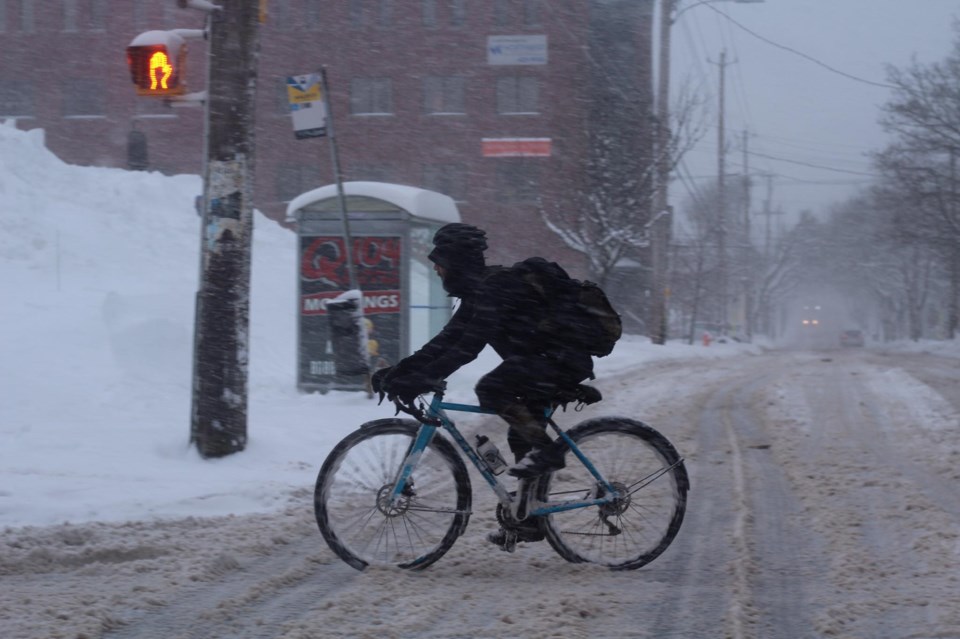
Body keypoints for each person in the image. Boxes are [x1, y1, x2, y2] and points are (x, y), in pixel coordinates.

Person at [371, 223, 595, 545]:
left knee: (491, 388)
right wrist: (400, 372)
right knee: (520, 435)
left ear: (456, 262)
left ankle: (548, 453)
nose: (436, 269)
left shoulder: (494, 289)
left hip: (558, 362)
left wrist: (422, 379)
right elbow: (445, 342)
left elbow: (468, 348)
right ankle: (529, 517)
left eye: (440, 262)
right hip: (543, 363)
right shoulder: (480, 292)